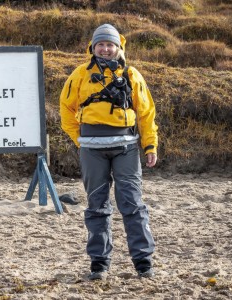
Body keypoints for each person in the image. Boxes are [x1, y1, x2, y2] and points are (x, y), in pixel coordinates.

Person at [59, 24, 158, 280]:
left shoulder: (132, 74)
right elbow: (65, 110)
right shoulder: (80, 74)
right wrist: (80, 141)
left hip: (126, 147)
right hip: (92, 150)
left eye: (110, 44)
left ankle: (143, 262)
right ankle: (99, 263)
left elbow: (146, 114)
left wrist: (150, 145)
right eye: (100, 44)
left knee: (132, 204)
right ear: (92, 47)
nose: (105, 48)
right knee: (96, 205)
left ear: (118, 47)